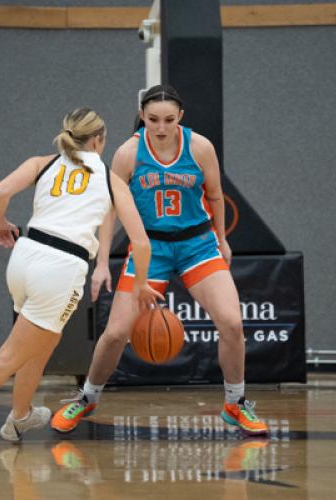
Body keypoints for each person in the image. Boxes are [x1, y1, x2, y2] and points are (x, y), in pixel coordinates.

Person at [0, 108, 163, 449]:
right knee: (9, 357)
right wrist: (142, 283)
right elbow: (141, 243)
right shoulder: (109, 179)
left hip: (25, 256)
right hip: (60, 268)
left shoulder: (42, 163)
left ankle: (20, 415)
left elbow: (0, 192)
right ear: (99, 140)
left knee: (44, 342)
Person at [51, 86, 268, 436]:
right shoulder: (128, 153)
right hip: (149, 248)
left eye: (169, 119)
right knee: (116, 332)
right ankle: (88, 397)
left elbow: (214, 194)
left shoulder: (200, 147)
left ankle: (236, 403)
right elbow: (109, 211)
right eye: (153, 119)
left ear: (180, 116)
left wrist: (223, 240)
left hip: (197, 243)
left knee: (231, 323)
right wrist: (102, 262)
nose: (161, 127)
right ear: (141, 115)